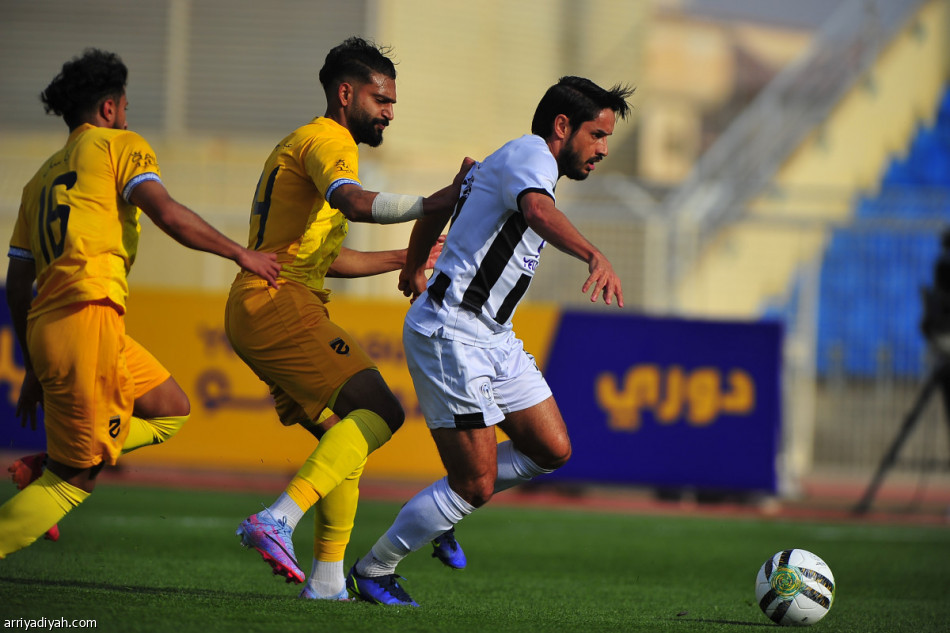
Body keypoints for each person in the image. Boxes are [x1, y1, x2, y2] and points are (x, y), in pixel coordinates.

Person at [346, 76, 634, 606]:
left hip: (491, 334)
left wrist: (413, 266)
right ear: (562, 126)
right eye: (596, 134)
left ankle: (448, 504)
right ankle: (374, 568)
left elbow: (440, 206)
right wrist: (594, 254)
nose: (603, 149)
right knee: (475, 484)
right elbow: (537, 214)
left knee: (551, 449)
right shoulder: (531, 156)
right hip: (451, 331)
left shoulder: (507, 162)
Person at [0, 48, 282, 559]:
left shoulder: (37, 179)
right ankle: (63, 462)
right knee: (78, 478)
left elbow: (18, 284)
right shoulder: (118, 145)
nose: (128, 115)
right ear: (109, 108)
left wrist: (32, 367)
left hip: (56, 325)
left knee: (171, 409)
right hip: (88, 318)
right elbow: (167, 213)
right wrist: (242, 253)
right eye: (125, 106)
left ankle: (62, 452)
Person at [226, 37, 469, 601]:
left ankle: (328, 580)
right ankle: (278, 519)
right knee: (381, 410)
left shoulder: (302, 142)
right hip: (277, 299)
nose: (388, 112)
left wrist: (404, 261)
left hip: (269, 298)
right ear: (345, 93)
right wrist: (437, 202)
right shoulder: (330, 140)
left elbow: (325, 257)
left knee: (346, 439)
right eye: (380, 100)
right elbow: (355, 203)